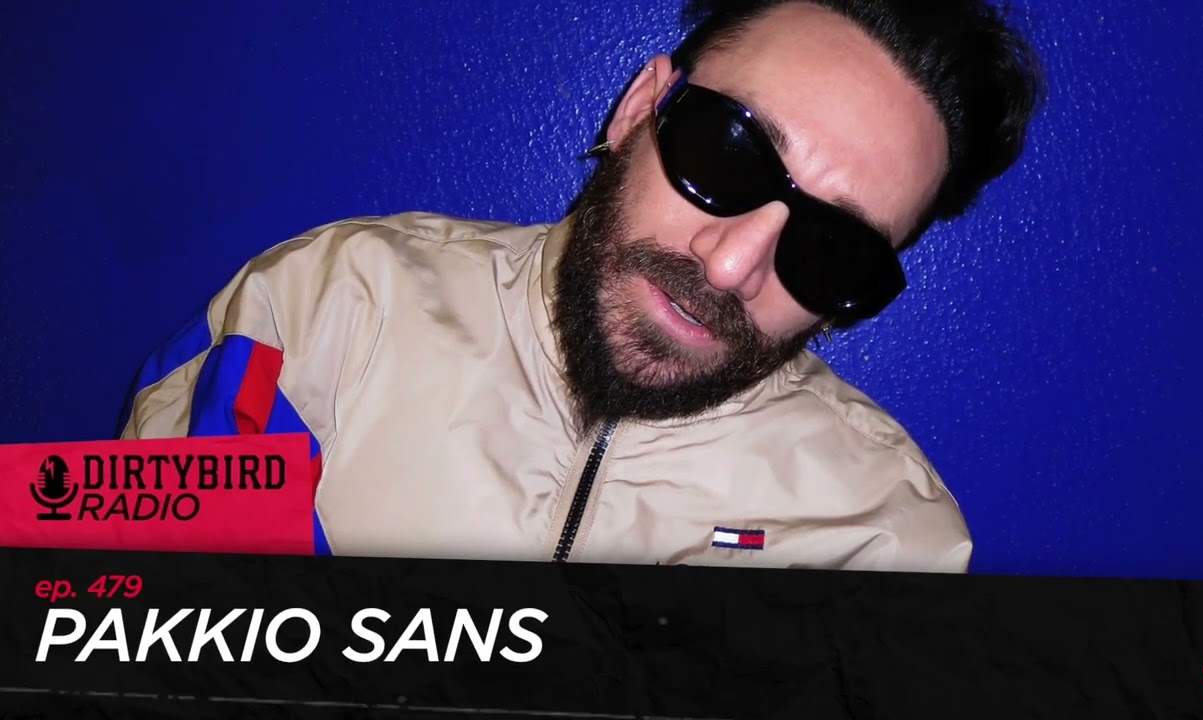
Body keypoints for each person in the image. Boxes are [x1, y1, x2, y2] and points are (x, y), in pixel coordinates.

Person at [119, 0, 1043, 571]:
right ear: (640, 108)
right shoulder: (329, 305)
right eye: (727, 152)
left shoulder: (879, 534)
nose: (732, 266)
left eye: (834, 250)